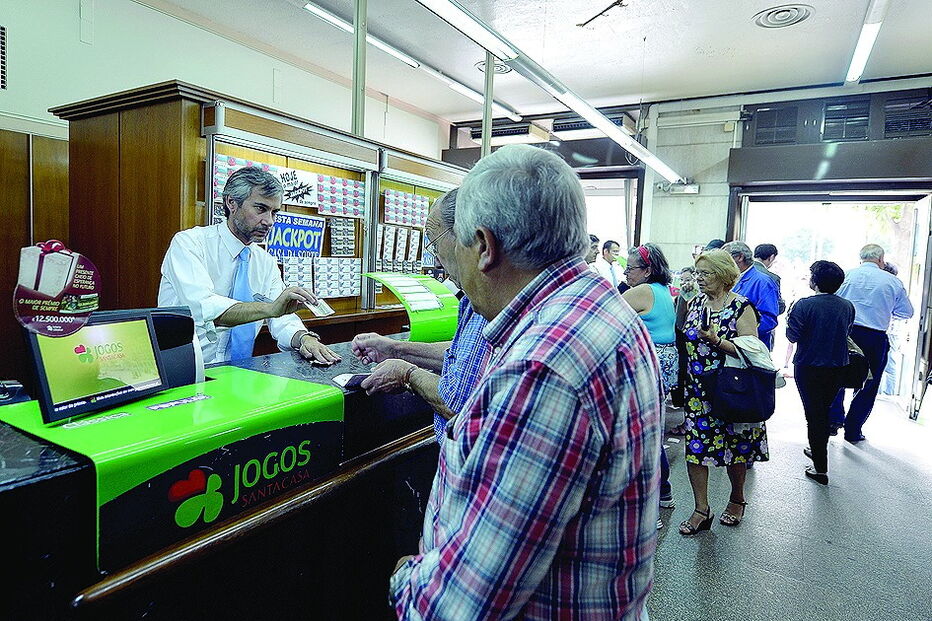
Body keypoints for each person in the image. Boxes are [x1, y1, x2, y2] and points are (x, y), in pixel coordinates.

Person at [389, 145, 661, 620]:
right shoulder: (595, 306)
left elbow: (463, 605)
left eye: (452, 246)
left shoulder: (544, 366)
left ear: (484, 247)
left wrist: (405, 579)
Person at [351, 190, 492, 444]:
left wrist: (408, 375)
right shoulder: (474, 297)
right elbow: (465, 355)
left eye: (434, 243)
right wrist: (396, 349)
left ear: (473, 239)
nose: (437, 258)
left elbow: (459, 405)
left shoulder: (491, 299)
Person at [158, 166, 339, 364]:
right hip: (184, 370)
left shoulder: (265, 262)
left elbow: (282, 318)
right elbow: (205, 308)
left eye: (274, 212)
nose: (269, 221)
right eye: (261, 209)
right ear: (231, 203)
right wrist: (270, 308)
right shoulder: (190, 243)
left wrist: (304, 338)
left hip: (239, 372)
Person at [678, 249, 768, 535]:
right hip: (698, 390)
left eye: (706, 274)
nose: (700, 279)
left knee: (736, 449)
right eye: (698, 273)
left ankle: (737, 498)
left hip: (733, 390)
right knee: (695, 450)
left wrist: (717, 340)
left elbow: (751, 349)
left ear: (724, 275)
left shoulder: (742, 307)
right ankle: (701, 509)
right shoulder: (694, 304)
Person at [829, 244, 914, 443]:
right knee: (869, 384)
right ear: (881, 259)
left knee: (837, 377)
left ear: (861, 258)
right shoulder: (893, 281)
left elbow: (834, 300)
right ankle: (853, 430)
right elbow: (906, 312)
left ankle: (833, 420)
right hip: (875, 337)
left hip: (845, 333)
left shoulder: (847, 276)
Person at [622, 243, 677, 527]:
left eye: (631, 269)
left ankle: (650, 505)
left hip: (647, 364)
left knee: (643, 437)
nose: (626, 273)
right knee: (653, 432)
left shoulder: (643, 291)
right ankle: (664, 491)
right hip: (663, 366)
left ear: (647, 270)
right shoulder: (663, 291)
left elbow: (604, 310)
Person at [786, 261, 854, 485]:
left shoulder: (804, 305)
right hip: (837, 366)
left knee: (814, 416)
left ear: (815, 281)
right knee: (822, 410)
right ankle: (817, 449)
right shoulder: (847, 306)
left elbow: (792, 336)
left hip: (809, 365)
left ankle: (820, 467)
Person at [723, 240, 780, 350]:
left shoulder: (762, 282)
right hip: (727, 347)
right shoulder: (730, 279)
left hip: (750, 348)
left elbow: (769, 320)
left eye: (725, 260)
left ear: (739, 257)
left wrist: (739, 331)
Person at [753, 243, 786, 315]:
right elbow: (777, 306)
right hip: (760, 321)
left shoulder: (740, 271)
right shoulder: (773, 278)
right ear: (771, 257)